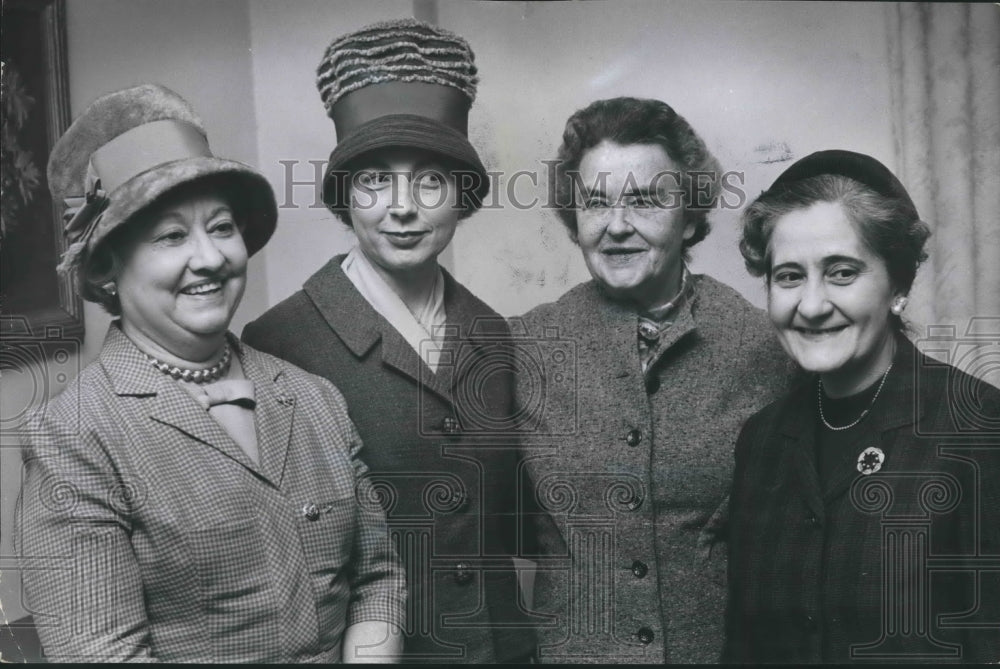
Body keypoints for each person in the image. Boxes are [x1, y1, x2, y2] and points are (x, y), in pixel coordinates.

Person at [15, 84, 406, 663]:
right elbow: (103, 653)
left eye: (221, 227)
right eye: (172, 236)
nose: (210, 257)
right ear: (106, 269)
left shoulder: (313, 396)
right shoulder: (75, 436)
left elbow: (377, 578)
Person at [242, 19, 542, 663]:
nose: (401, 207)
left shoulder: (492, 330)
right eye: (375, 179)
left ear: (462, 196)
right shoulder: (277, 343)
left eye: (430, 180)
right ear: (344, 198)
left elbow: (517, 518)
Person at [515, 97, 790, 663]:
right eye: (595, 203)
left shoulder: (766, 346)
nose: (617, 226)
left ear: (689, 214)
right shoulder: (524, 347)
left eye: (645, 201)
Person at [725, 149, 1000, 663]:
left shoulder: (977, 427)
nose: (810, 305)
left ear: (898, 284)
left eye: (842, 272)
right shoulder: (761, 441)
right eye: (788, 276)